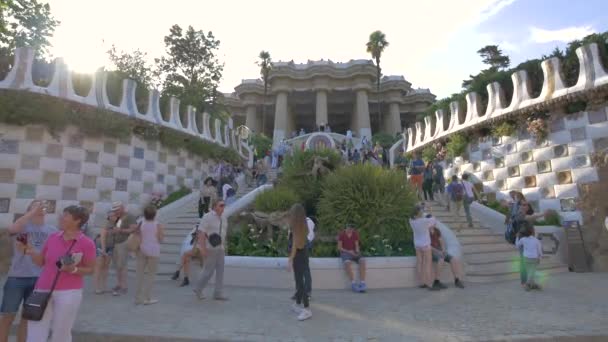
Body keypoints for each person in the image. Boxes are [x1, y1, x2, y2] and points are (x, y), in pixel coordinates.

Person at [21, 205, 96, 342]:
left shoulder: (87, 243)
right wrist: (31, 251)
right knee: (35, 327)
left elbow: (91, 269)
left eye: (66, 215)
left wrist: (73, 269)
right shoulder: (53, 237)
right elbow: (41, 262)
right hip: (42, 288)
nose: (61, 218)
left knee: (61, 331)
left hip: (69, 292)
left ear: (77, 220)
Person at [0, 200, 56, 342]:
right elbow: (12, 229)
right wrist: (32, 212)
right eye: (36, 204)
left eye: (43, 205)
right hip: (17, 278)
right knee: (8, 316)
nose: (41, 207)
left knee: (27, 318)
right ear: (29, 209)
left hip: (39, 279)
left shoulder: (52, 231)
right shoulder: (23, 226)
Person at [193, 199, 228, 301]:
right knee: (208, 271)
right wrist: (202, 248)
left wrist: (225, 247)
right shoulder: (207, 217)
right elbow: (201, 233)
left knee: (220, 271)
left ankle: (218, 293)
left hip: (220, 248)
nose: (223, 207)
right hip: (210, 248)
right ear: (215, 206)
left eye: (224, 205)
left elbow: (224, 233)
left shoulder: (224, 218)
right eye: (221, 205)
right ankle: (198, 289)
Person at [287, 204, 313, 321]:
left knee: (300, 283)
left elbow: (295, 245)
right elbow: (303, 240)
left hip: (298, 256)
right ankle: (297, 304)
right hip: (303, 254)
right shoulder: (303, 225)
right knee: (299, 281)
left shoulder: (296, 227)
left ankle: (307, 309)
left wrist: (290, 259)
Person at [134, 206, 164, 305]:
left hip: (142, 249)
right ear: (154, 214)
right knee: (151, 275)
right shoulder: (158, 225)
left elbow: (137, 236)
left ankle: (138, 298)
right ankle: (147, 298)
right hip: (154, 251)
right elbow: (161, 239)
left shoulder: (141, 223)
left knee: (139, 275)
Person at [107, 202, 138, 296]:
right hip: (116, 243)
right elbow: (116, 228)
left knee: (122, 266)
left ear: (122, 208)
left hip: (123, 243)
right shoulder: (119, 218)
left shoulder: (130, 217)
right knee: (117, 266)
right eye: (114, 210)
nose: (115, 212)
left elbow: (134, 229)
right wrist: (112, 231)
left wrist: (120, 230)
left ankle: (124, 286)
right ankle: (119, 284)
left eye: (117, 210)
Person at [409, 205, 440, 291]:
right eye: (421, 211)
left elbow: (421, 216)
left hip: (417, 244)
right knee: (427, 264)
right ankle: (429, 284)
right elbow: (434, 220)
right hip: (426, 245)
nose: (423, 212)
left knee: (419, 263)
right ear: (419, 213)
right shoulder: (424, 221)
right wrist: (430, 209)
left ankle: (422, 283)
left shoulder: (411, 220)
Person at [430, 225, 465, 289]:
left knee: (453, 259)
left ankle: (457, 280)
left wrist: (443, 250)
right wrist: (438, 251)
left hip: (440, 251)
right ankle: (436, 282)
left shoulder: (436, 230)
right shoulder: (426, 232)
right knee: (441, 260)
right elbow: (428, 246)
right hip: (432, 252)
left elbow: (441, 241)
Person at [289, 217, 315, 301]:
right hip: (296, 242)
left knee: (305, 269)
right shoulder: (295, 220)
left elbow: (309, 235)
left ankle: (307, 293)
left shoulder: (308, 221)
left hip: (304, 243)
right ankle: (299, 292)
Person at [337, 223, 367, 293]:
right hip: (345, 252)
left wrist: (357, 251)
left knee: (362, 261)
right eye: (349, 228)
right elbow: (339, 248)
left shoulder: (355, 234)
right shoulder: (342, 235)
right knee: (347, 263)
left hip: (353, 252)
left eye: (352, 229)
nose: (350, 230)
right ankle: (353, 283)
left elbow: (356, 245)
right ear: (346, 227)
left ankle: (362, 283)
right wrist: (349, 252)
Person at [515, 221, 542, 291]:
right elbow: (539, 250)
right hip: (534, 258)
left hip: (526, 258)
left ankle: (532, 284)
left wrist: (517, 237)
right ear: (532, 232)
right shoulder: (536, 240)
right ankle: (528, 284)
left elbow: (517, 245)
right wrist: (540, 257)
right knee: (532, 272)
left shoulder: (523, 239)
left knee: (529, 272)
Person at [94, 210, 116, 295]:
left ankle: (104, 286)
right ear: (109, 216)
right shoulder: (106, 224)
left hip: (110, 247)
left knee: (106, 267)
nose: (113, 217)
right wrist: (103, 250)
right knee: (99, 267)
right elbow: (103, 237)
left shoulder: (116, 224)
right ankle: (97, 287)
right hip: (101, 247)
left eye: (114, 215)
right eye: (112, 215)